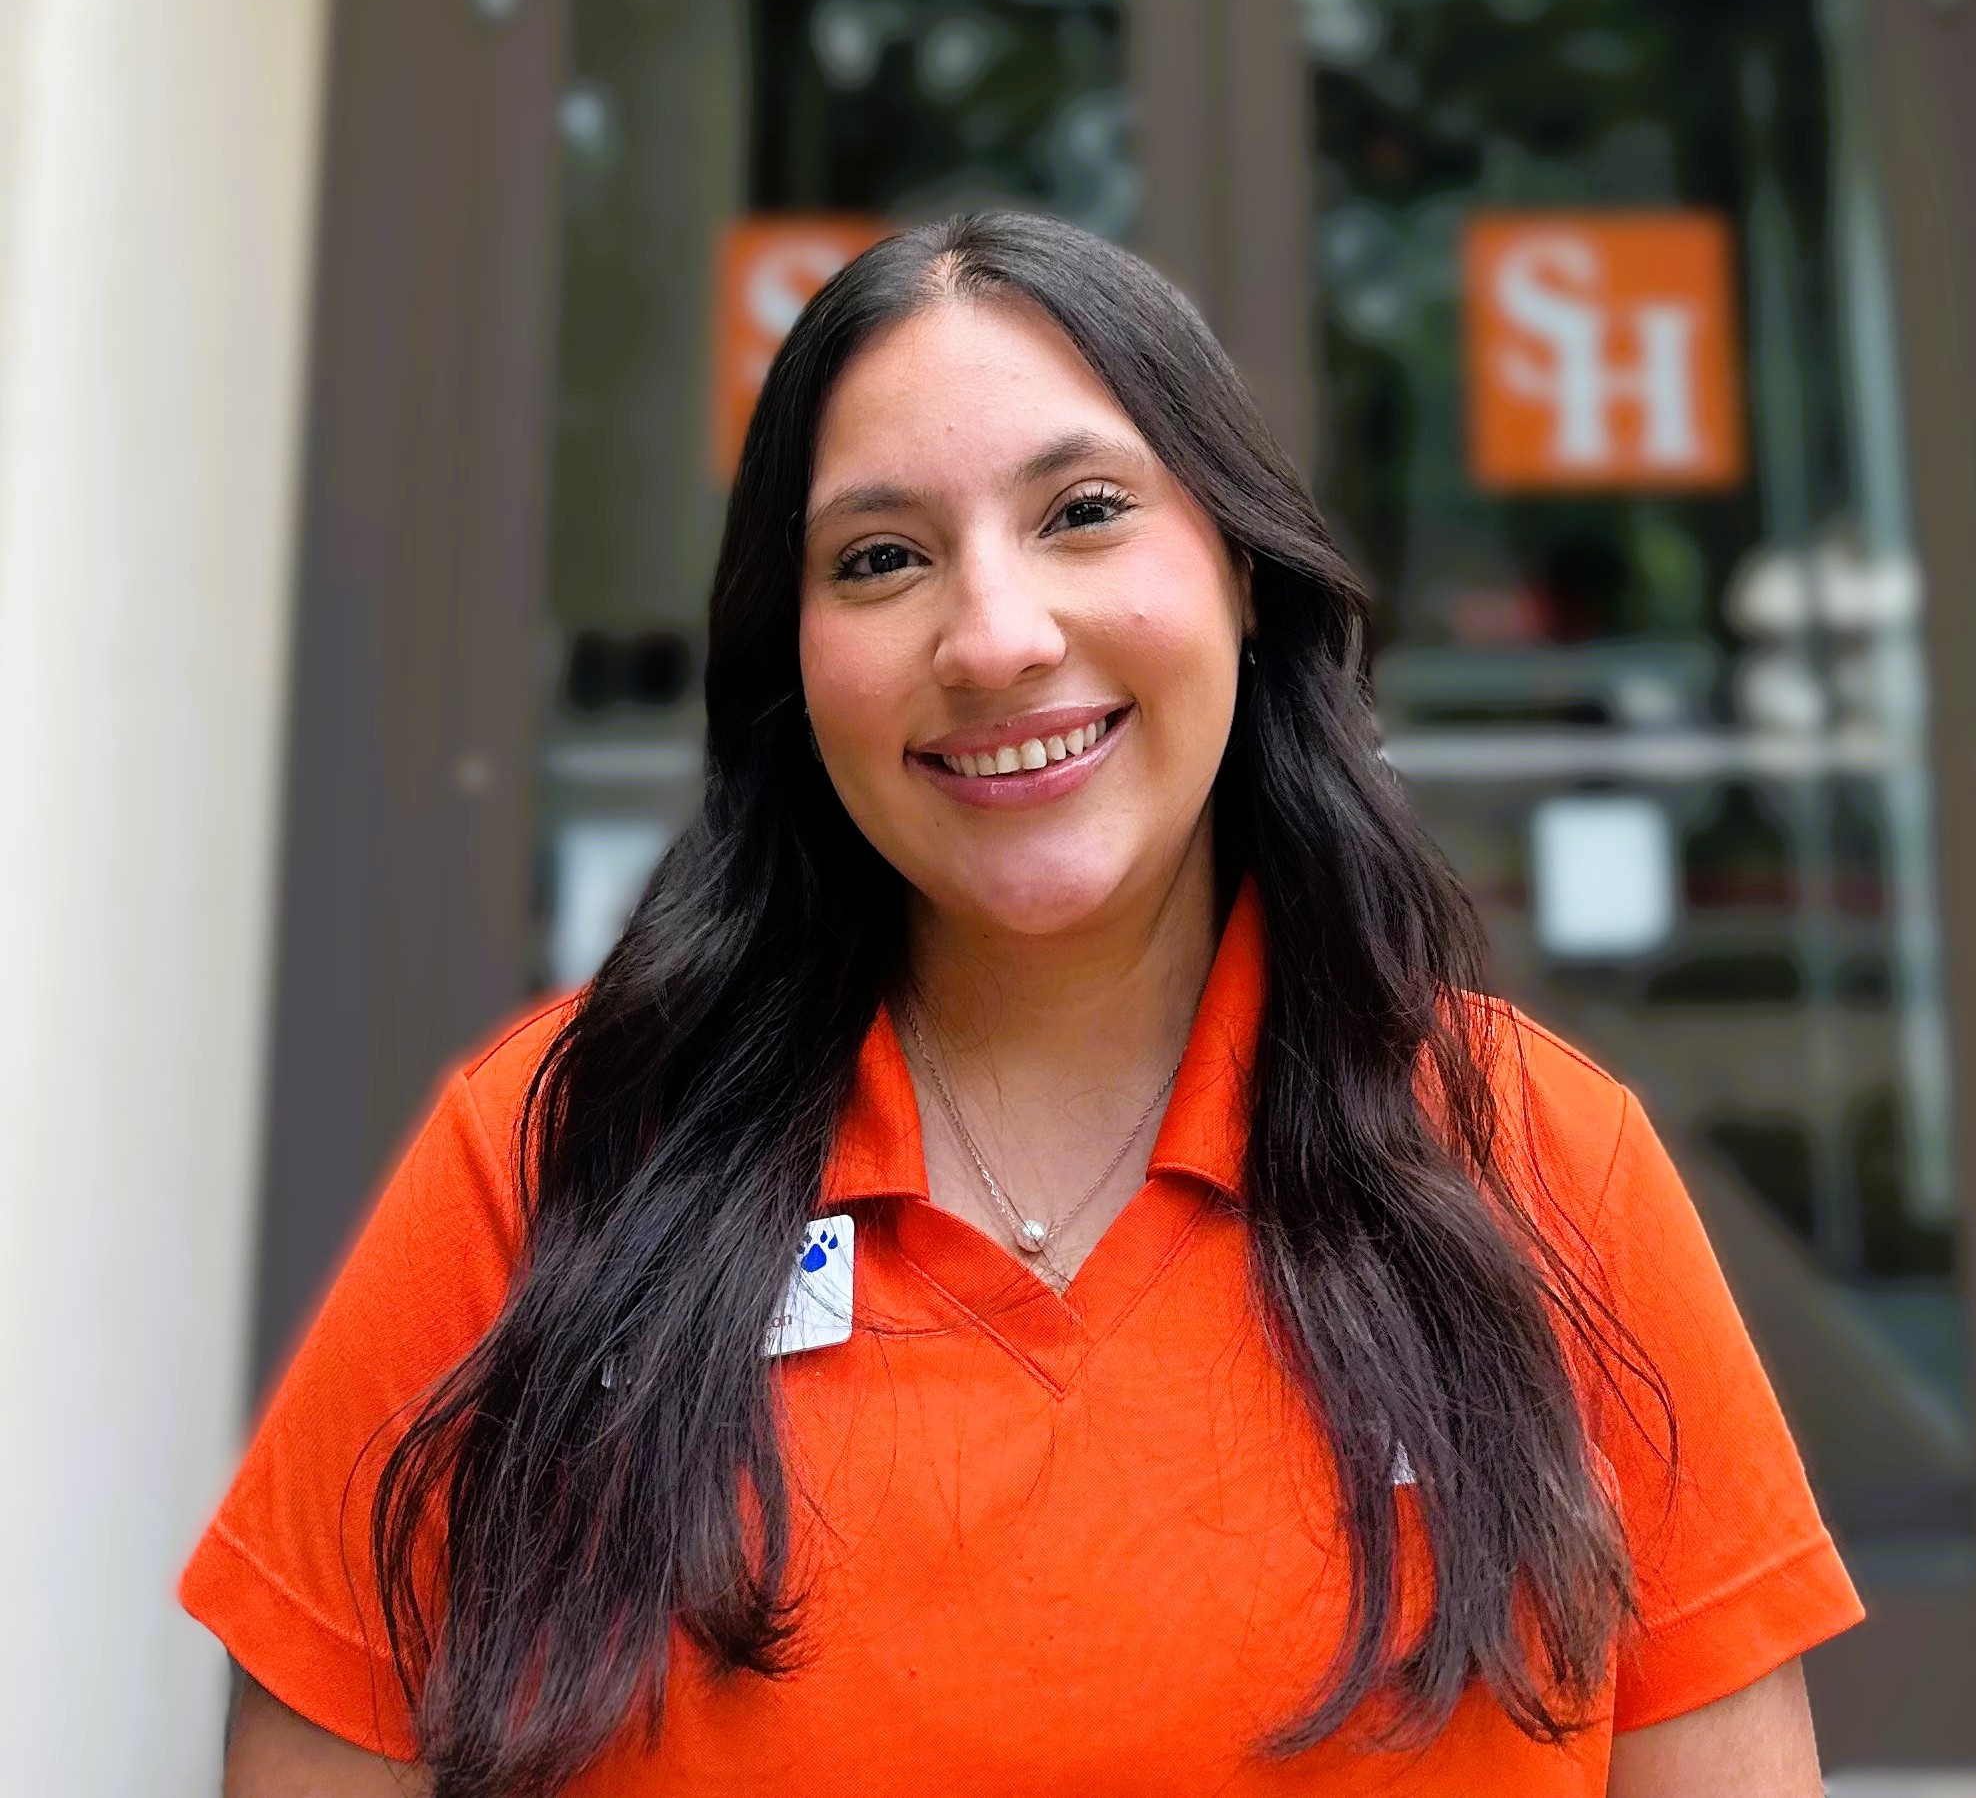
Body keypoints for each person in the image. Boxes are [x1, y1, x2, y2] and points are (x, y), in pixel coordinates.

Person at [187, 212, 1862, 1796]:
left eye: (1083, 514)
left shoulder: (1546, 1164)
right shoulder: (548, 1159)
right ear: (796, 657)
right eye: (883, 556)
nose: (992, 637)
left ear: (1244, 576)